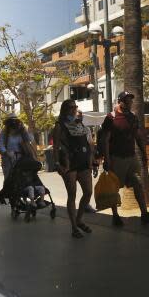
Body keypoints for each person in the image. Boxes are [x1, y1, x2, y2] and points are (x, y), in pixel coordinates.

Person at [100, 90, 149, 226]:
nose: (130, 102)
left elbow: (138, 136)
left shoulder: (133, 117)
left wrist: (144, 154)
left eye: (131, 100)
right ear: (120, 102)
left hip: (132, 157)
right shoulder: (111, 117)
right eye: (127, 100)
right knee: (114, 188)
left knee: (138, 183)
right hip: (117, 158)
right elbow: (105, 140)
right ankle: (115, 216)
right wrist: (107, 159)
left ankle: (144, 214)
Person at [53, 99, 94, 239]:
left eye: (75, 107)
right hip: (69, 164)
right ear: (64, 109)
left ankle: (79, 218)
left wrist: (91, 160)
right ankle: (74, 227)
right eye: (70, 107)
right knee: (72, 195)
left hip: (82, 162)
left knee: (88, 192)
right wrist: (57, 163)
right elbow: (56, 146)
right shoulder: (59, 126)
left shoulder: (79, 123)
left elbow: (87, 143)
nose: (73, 109)